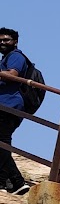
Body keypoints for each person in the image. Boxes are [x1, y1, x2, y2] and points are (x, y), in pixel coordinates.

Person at [0, 28, 33, 195]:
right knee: (2, 143)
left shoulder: (16, 56)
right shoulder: (5, 58)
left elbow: (12, 74)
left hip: (9, 106)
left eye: (7, 40)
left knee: (2, 142)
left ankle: (4, 182)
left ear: (15, 42)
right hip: (5, 105)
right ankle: (16, 183)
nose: (3, 42)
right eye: (0, 40)